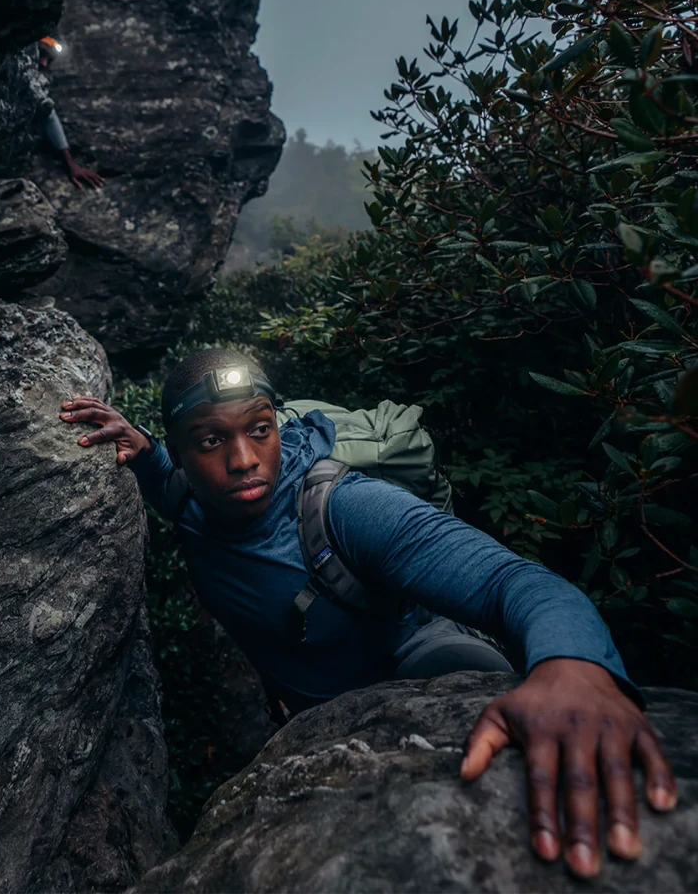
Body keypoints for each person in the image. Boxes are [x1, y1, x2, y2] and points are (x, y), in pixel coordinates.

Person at [58, 348, 678, 880]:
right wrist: (142, 452)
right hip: (311, 728)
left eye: (260, 429)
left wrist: (574, 665)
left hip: (426, 667)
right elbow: (167, 480)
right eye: (212, 441)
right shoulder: (187, 496)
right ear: (181, 451)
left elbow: (512, 581)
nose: (244, 460)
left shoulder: (348, 510)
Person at [27, 36, 104, 190]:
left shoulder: (34, 84)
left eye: (48, 60)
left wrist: (71, 164)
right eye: (42, 54)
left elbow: (48, 114)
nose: (43, 63)